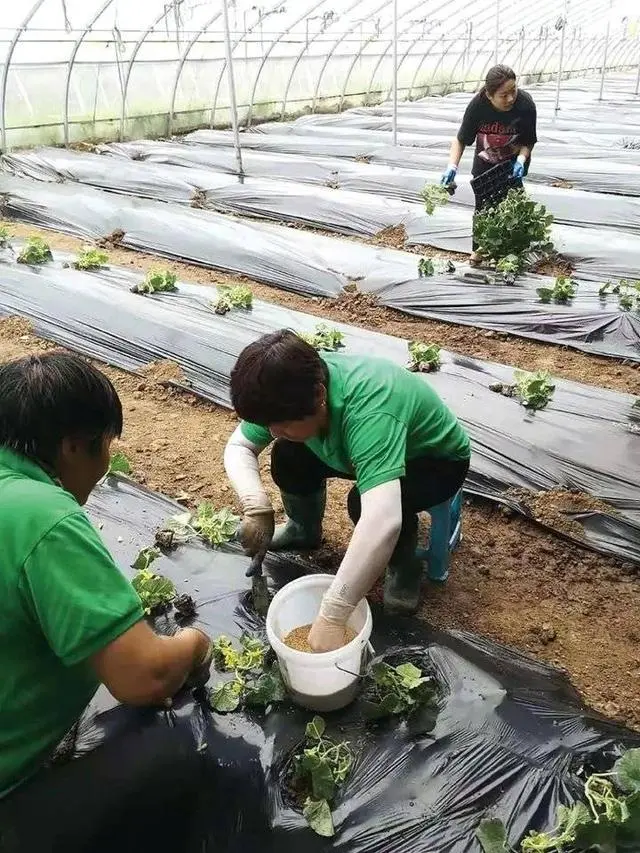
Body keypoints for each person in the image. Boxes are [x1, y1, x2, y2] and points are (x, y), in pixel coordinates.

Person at [0, 352, 213, 853]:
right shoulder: (43, 517)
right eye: (105, 451)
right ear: (74, 447)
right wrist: (194, 643)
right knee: (172, 746)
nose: (103, 469)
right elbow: (146, 677)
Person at [224, 330, 470, 653]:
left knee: (362, 504)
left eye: (281, 424)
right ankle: (304, 529)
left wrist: (332, 615)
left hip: (434, 460)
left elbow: (383, 519)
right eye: (269, 424)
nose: (271, 431)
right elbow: (240, 444)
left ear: (320, 396)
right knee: (287, 455)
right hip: (361, 450)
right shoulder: (289, 388)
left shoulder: (369, 409)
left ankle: (404, 565)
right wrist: (256, 506)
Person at [441, 64, 538, 264]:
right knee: (483, 210)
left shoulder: (525, 104)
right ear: (489, 94)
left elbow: (528, 141)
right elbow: (461, 139)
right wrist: (452, 166)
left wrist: (520, 160)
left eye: (514, 90)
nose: (511, 98)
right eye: (504, 95)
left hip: (512, 168)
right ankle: (480, 253)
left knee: (513, 211)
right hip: (485, 169)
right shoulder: (478, 106)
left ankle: (508, 255)